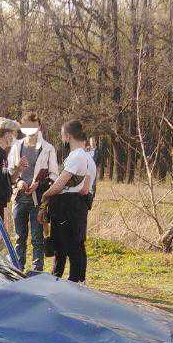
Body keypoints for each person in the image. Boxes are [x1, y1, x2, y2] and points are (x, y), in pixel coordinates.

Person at [38, 119, 96, 282]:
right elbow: (86, 189)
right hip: (78, 205)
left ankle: (71, 281)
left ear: (68, 136)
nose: (62, 138)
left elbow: (59, 185)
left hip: (69, 207)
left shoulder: (76, 156)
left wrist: (45, 196)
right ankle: (75, 280)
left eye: (62, 135)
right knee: (75, 246)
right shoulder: (88, 157)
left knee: (68, 247)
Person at [6, 113, 59, 272]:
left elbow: (54, 175)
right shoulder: (17, 146)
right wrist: (19, 182)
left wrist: (38, 184)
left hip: (38, 199)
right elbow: (10, 172)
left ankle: (37, 272)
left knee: (37, 239)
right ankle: (17, 270)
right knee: (19, 237)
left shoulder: (48, 148)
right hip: (19, 197)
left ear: (39, 127)